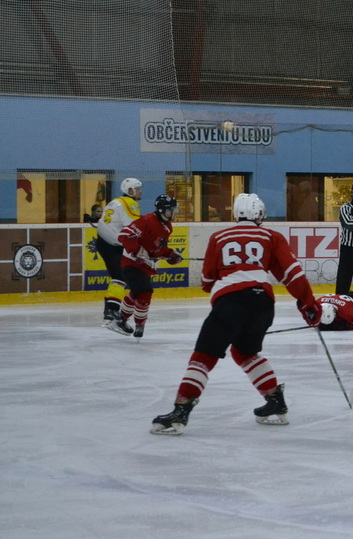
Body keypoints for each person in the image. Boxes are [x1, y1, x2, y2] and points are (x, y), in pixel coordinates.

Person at [150, 193, 324, 435]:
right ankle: (275, 399)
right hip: (263, 302)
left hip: (231, 302)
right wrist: (308, 304)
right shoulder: (271, 236)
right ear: (259, 215)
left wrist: (225, 280)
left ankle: (181, 410)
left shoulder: (219, 237)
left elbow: (206, 281)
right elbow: (292, 274)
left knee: (204, 356)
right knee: (244, 352)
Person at [106, 194, 181, 339]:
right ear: (161, 210)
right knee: (145, 292)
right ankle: (139, 325)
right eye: (170, 210)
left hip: (145, 266)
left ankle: (120, 320)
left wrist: (170, 255)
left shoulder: (167, 226)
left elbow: (158, 248)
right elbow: (125, 234)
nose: (173, 213)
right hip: (131, 263)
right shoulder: (147, 221)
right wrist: (136, 251)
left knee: (136, 293)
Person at [95, 178, 142, 323]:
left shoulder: (115, 201)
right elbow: (135, 228)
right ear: (130, 191)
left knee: (120, 276)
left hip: (104, 242)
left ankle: (111, 308)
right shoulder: (130, 203)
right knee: (119, 277)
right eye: (137, 189)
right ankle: (111, 310)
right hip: (112, 245)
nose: (140, 192)